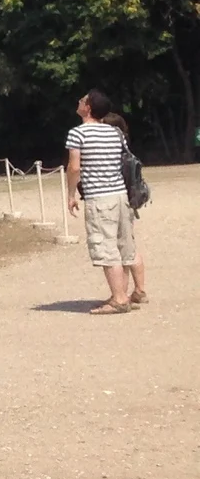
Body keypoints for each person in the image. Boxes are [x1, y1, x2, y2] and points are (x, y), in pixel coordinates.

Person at [65, 92, 137, 314]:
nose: (78, 102)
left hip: (99, 197)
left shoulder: (77, 134)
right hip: (120, 195)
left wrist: (70, 194)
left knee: (106, 248)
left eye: (82, 100)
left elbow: (74, 167)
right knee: (122, 245)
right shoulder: (116, 133)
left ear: (88, 108)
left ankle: (119, 299)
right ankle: (123, 293)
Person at [100, 104, 149, 306]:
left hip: (120, 201)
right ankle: (139, 290)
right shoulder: (125, 148)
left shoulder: (113, 153)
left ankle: (126, 292)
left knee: (123, 250)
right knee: (128, 246)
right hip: (129, 201)